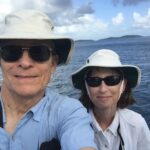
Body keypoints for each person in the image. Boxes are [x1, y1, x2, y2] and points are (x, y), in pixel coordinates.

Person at [0, 9, 97, 150]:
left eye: (39, 52)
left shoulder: (69, 112)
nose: (25, 63)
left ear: (53, 64)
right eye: (11, 52)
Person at [71, 49, 150, 150]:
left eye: (112, 80)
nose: (103, 89)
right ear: (86, 87)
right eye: (94, 81)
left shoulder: (136, 124)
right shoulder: (73, 126)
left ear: (123, 85)